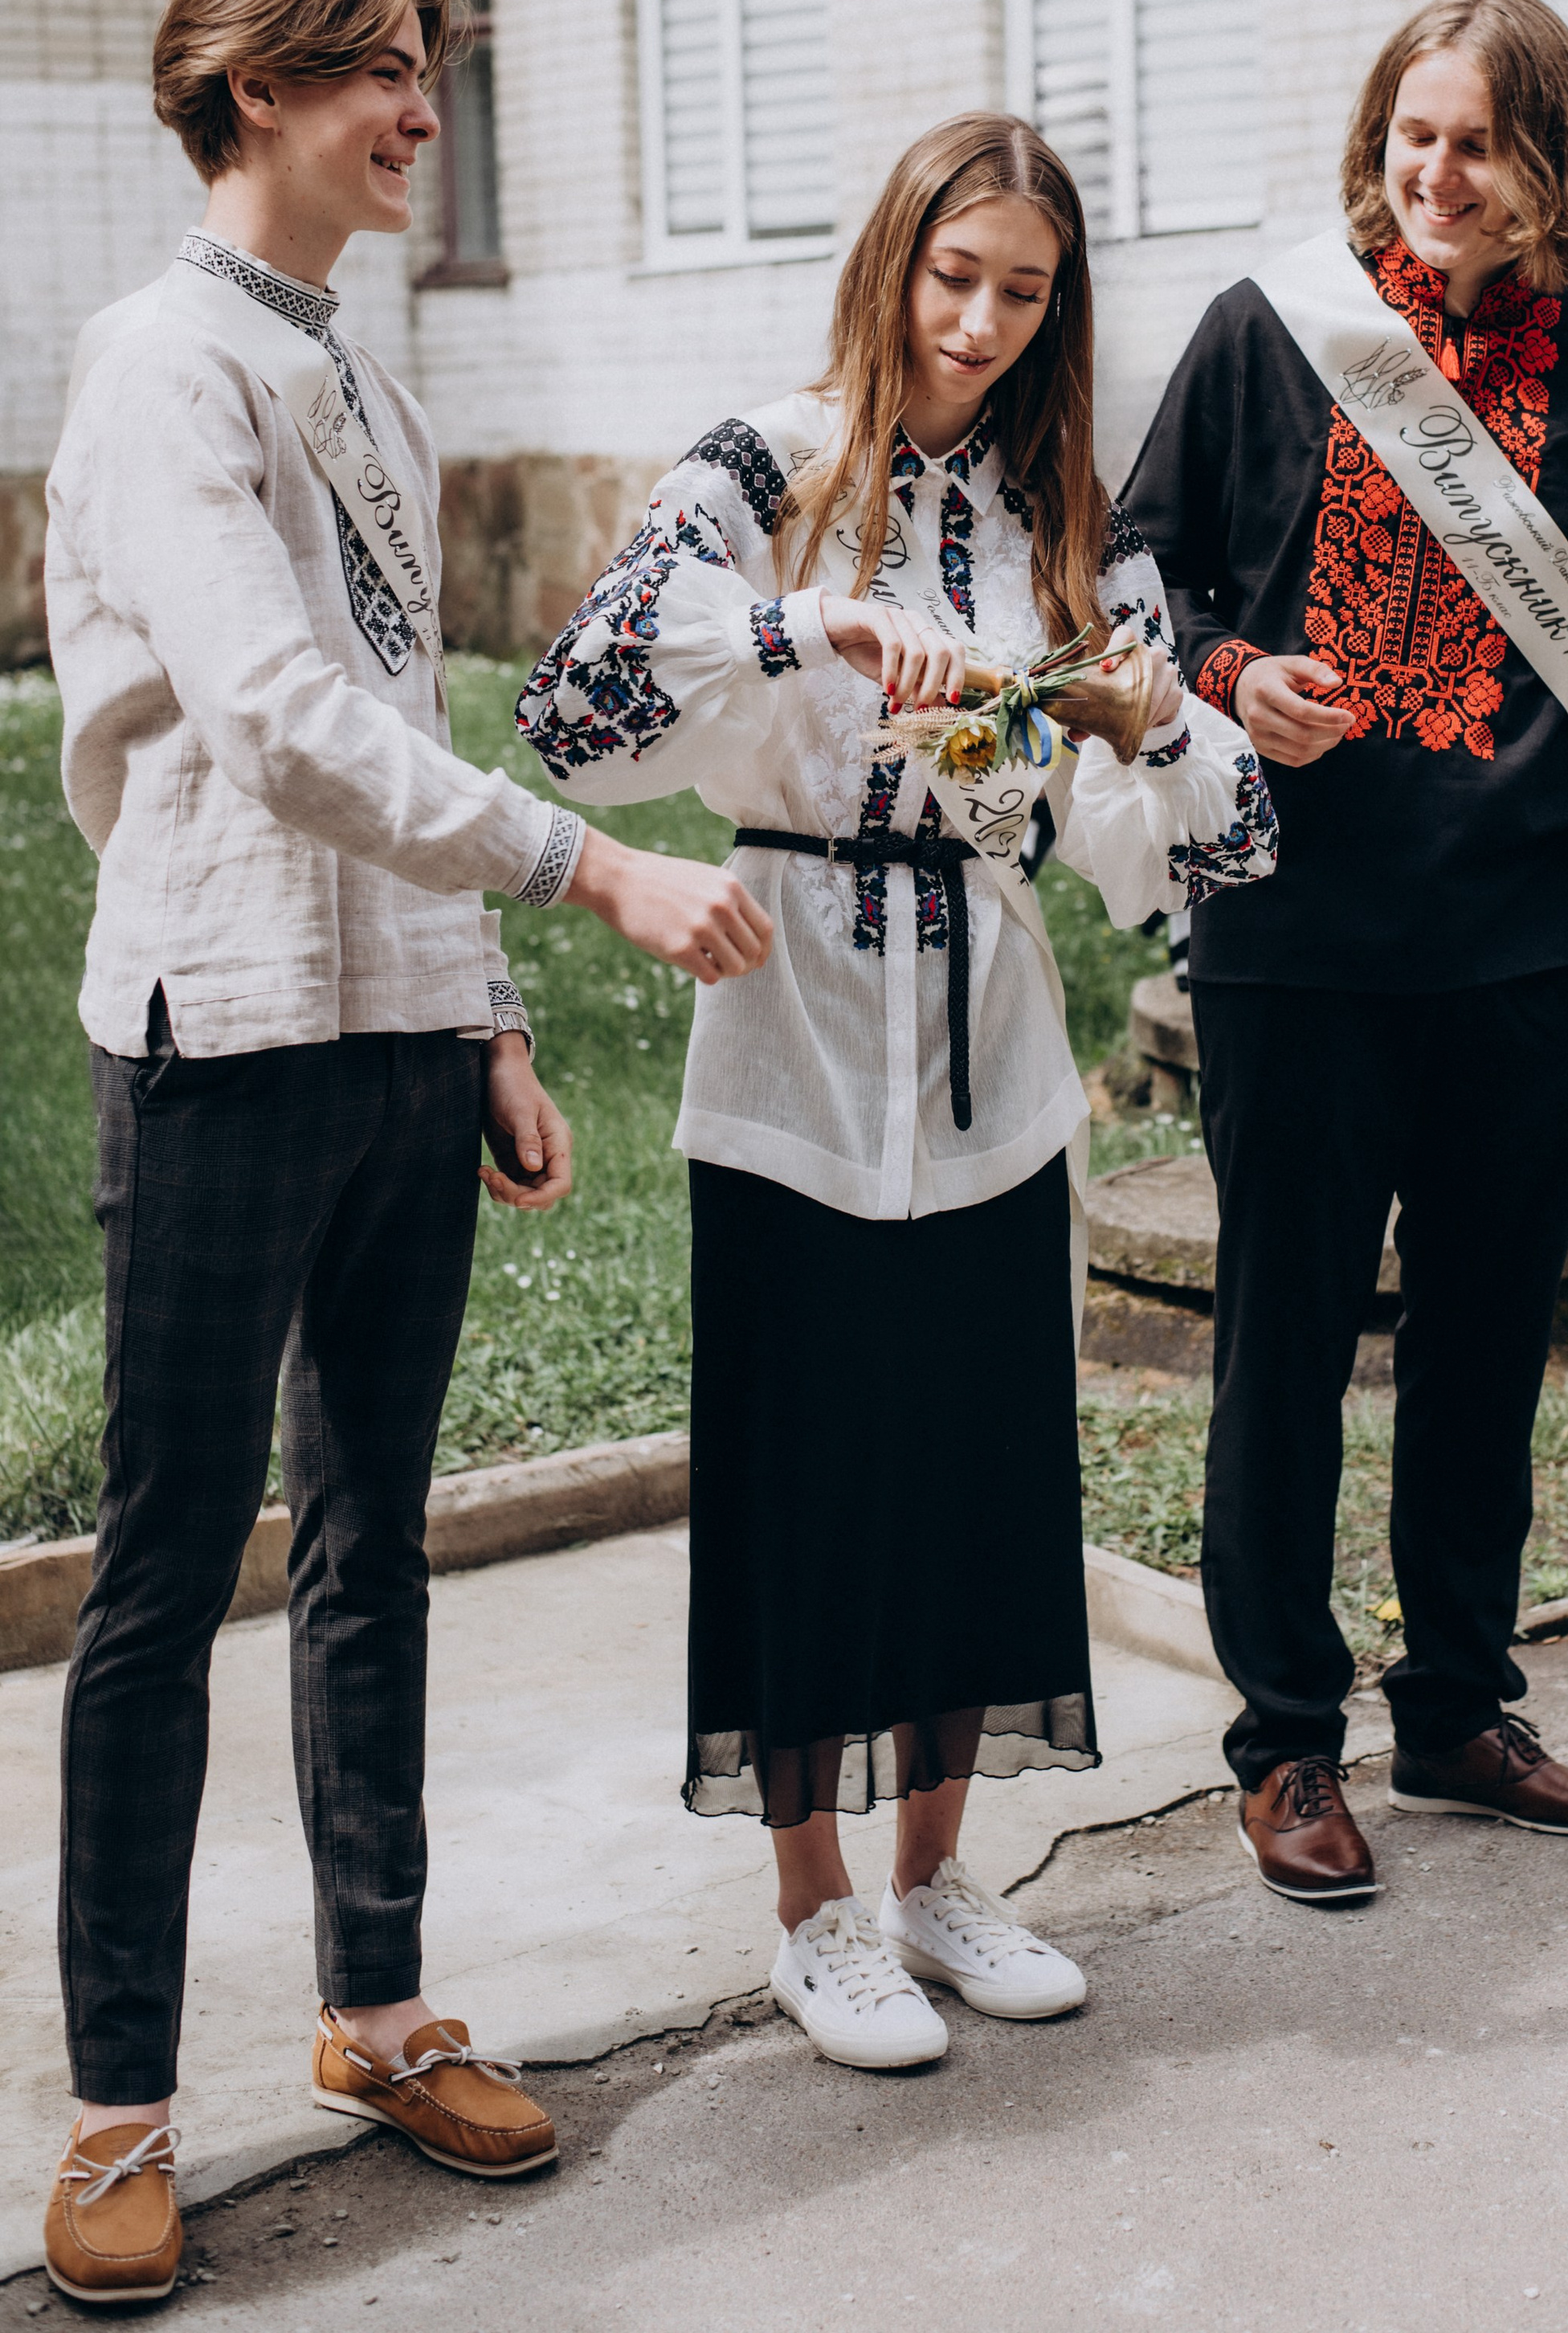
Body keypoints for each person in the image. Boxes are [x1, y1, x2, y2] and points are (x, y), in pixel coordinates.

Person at [39, 0, 771, 2306]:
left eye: (426, 67)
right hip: (221, 1034)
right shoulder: (165, 366)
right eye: (380, 66)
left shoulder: (362, 371)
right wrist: (587, 875)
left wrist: (483, 1020)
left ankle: (377, 2012)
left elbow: (401, 696)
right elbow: (268, 718)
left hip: (387, 1047)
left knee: (379, 1551)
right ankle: (119, 2111)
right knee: (164, 1588)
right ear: (254, 88)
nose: (422, 111)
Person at [517, 111, 1276, 2070]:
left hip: (988, 1046)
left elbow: (1183, 845)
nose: (981, 321)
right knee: (804, 1468)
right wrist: (807, 624)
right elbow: (575, 706)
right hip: (789, 1019)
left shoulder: (1060, 516)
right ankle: (812, 1906)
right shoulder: (768, 463)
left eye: (1023, 292)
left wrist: (1165, 713)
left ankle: (942, 1875)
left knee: (974, 1462)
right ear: (892, 262)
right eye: (955, 276)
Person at [1121, 0, 1568, 1898]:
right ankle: (1285, 1745)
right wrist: (1229, 671)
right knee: (1283, 1351)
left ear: (1544, 156)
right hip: (1291, 943)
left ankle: (1458, 1704)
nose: (1435, 174)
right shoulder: (1269, 334)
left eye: (1474, 140)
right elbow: (1132, 566)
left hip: (1514, 953)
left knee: (1478, 1349)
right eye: (1409, 135)